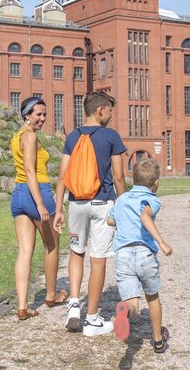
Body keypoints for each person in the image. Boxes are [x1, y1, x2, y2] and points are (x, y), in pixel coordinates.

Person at [53, 91, 126, 336]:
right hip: (102, 204)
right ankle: (92, 319)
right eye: (110, 111)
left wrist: (58, 209)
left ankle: (74, 305)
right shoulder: (112, 137)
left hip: (76, 204)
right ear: (101, 111)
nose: (111, 116)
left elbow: (62, 175)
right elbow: (118, 176)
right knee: (98, 258)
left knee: (76, 251)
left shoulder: (72, 137)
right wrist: (123, 204)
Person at [10, 96, 68, 320]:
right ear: (27, 115)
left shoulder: (17, 136)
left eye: (45, 114)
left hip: (18, 195)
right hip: (36, 192)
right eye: (38, 114)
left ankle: (23, 307)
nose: (43, 118)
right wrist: (42, 204)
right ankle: (51, 295)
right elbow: (31, 171)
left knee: (25, 251)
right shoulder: (31, 137)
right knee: (51, 245)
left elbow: (23, 170)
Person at [107, 159, 173, 353]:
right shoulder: (152, 199)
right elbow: (145, 216)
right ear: (156, 183)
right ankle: (158, 339)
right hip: (144, 254)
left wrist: (122, 221)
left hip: (124, 255)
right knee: (152, 297)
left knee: (132, 302)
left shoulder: (121, 199)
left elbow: (110, 220)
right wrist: (161, 242)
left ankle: (126, 312)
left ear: (132, 179)